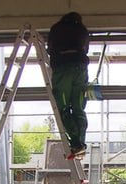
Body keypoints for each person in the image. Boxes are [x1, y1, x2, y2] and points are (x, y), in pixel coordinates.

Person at [48, 12, 90, 156]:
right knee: (79, 108)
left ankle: (76, 143)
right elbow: (86, 49)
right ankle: (80, 143)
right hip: (81, 69)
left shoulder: (56, 28)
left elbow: (50, 49)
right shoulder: (82, 30)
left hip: (63, 67)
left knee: (62, 108)